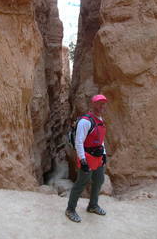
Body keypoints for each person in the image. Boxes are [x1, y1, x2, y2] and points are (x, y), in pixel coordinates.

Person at [65, 94, 108, 223]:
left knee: (99, 180)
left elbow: (100, 140)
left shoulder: (100, 120)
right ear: (93, 104)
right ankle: (70, 209)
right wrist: (82, 160)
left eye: (103, 103)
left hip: (98, 157)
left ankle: (93, 205)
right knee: (81, 184)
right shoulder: (85, 121)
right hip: (87, 157)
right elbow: (79, 142)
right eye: (99, 103)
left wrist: (104, 154)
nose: (101, 106)